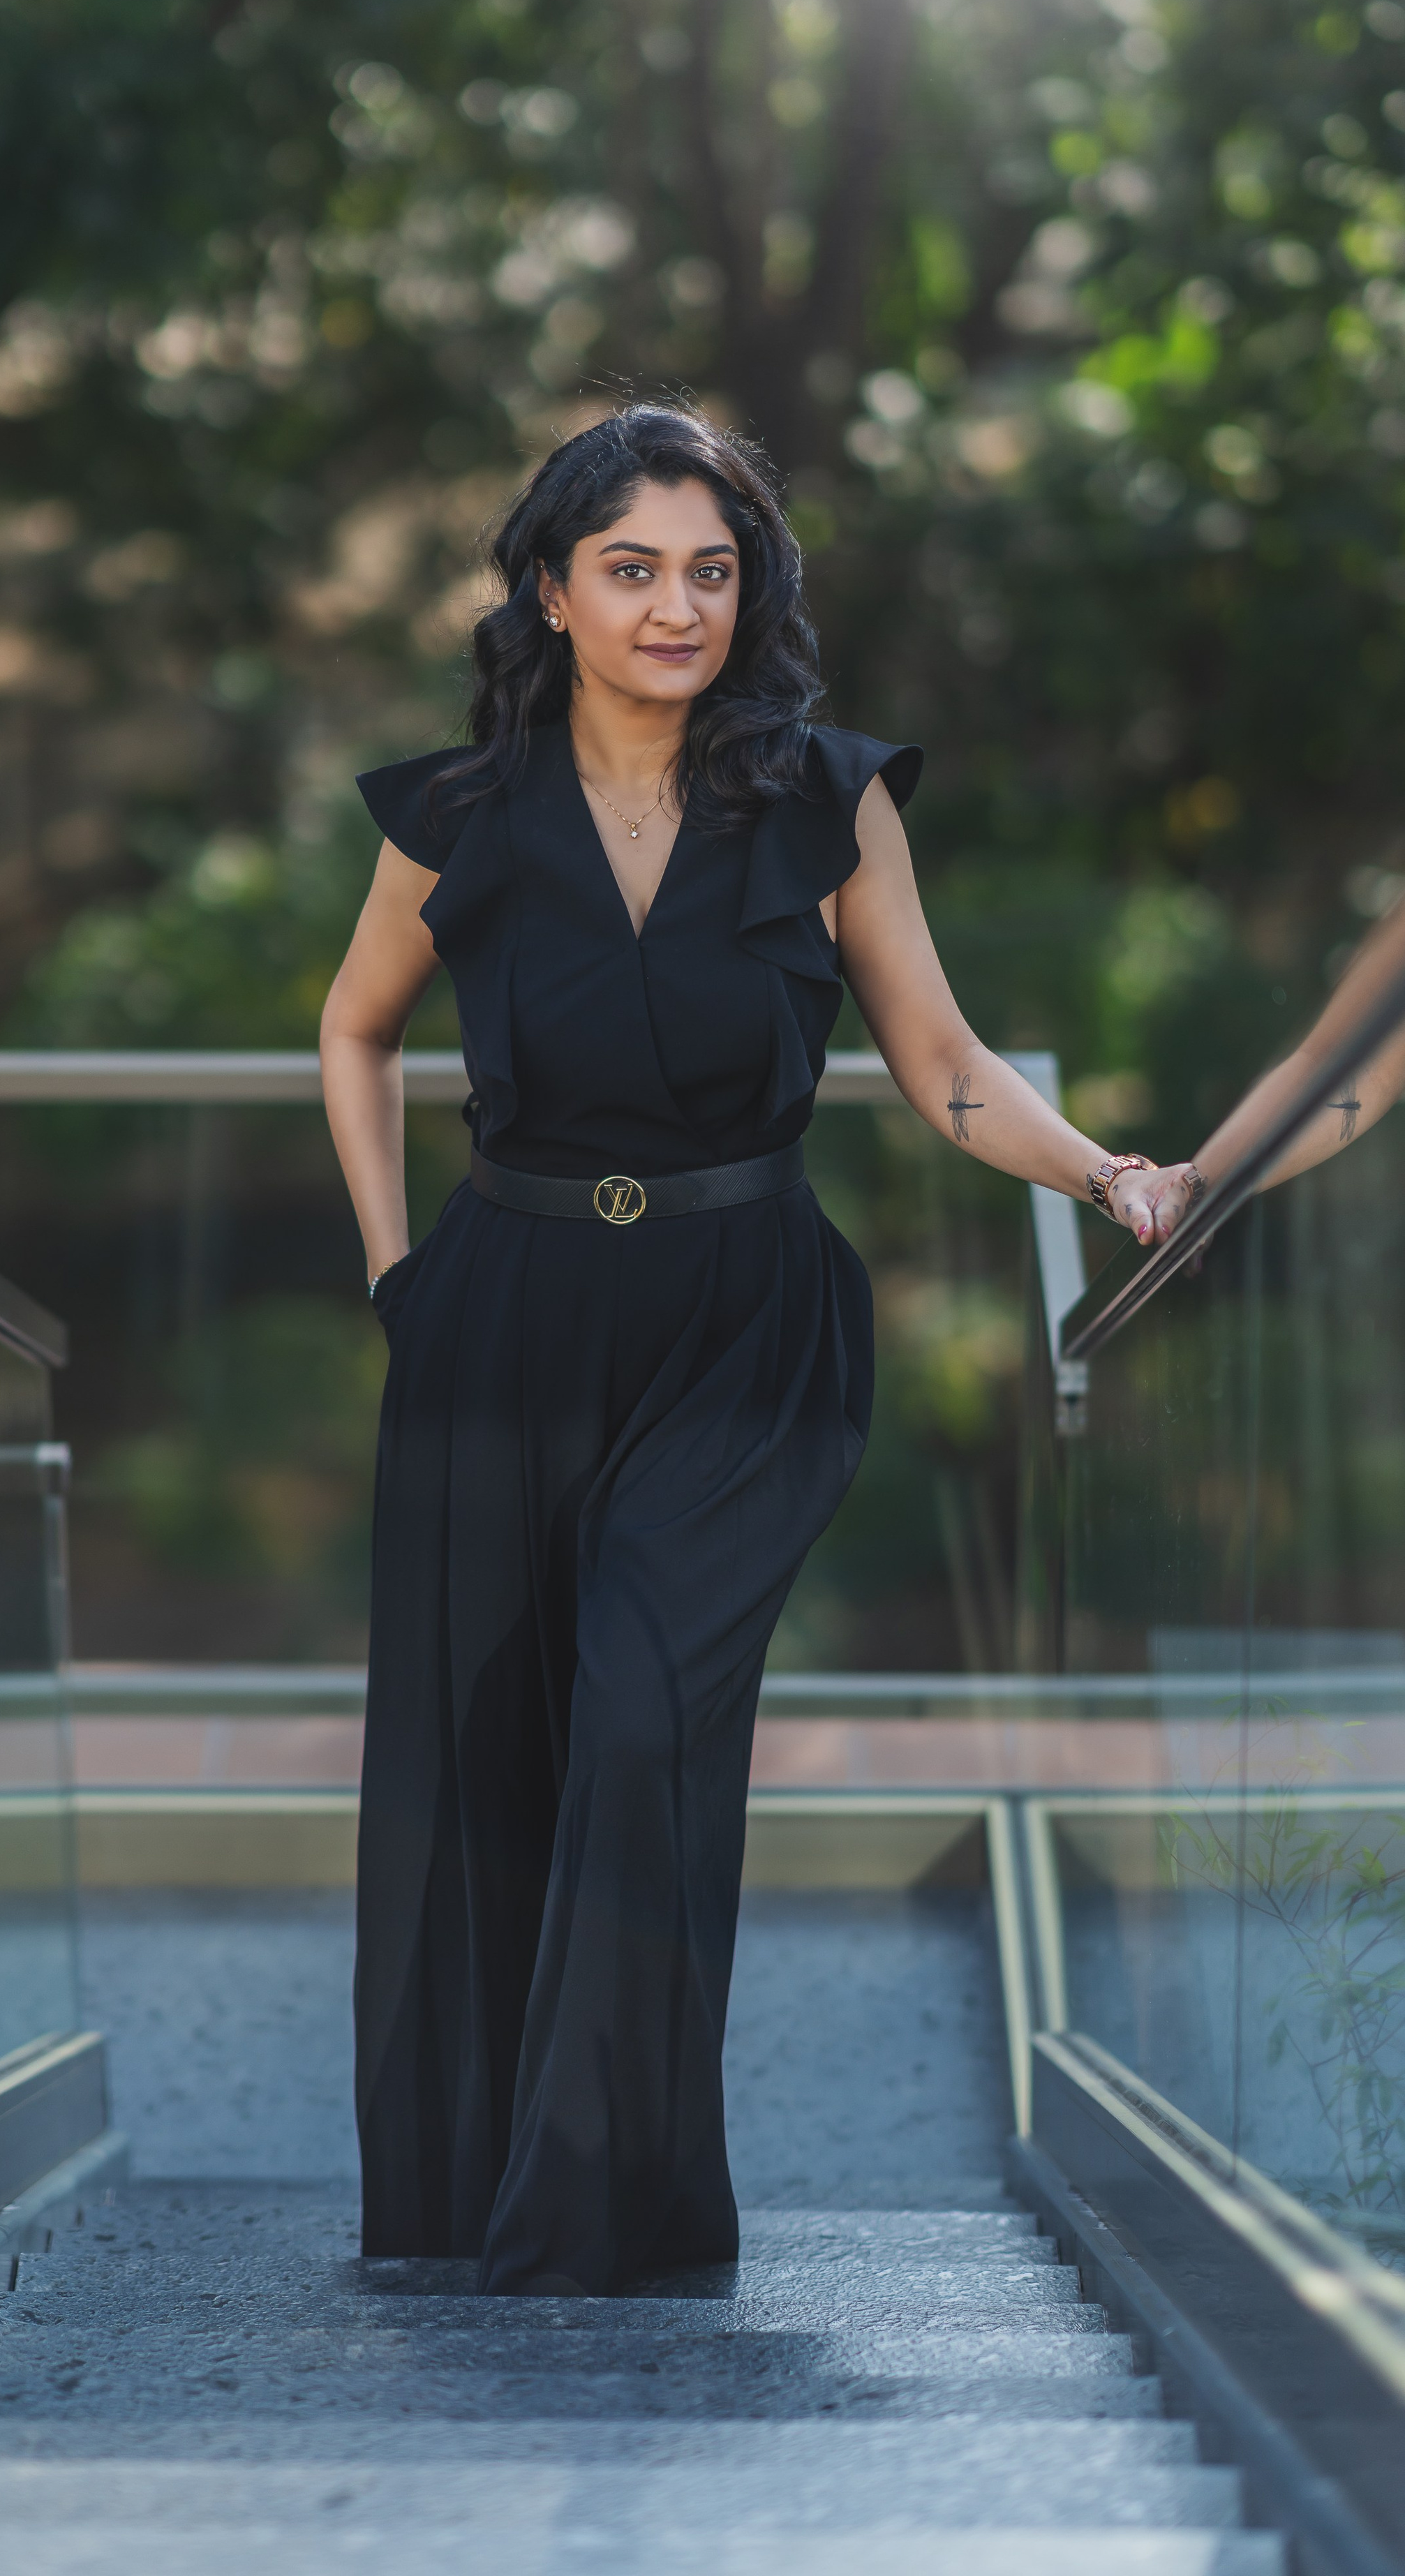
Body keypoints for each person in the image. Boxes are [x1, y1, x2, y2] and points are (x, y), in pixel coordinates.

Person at [319, 404, 1197, 2297]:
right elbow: (356, 1033)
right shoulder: (460, 815)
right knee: (489, 1756)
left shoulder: (824, 797)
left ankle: (599, 2207)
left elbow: (949, 1073)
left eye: (711, 571)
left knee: (644, 1716)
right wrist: (399, 1275)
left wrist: (1111, 1171)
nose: (676, 607)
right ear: (550, 591)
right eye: (631, 569)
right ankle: (476, 2197)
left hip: (746, 1327)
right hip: (502, 1322)